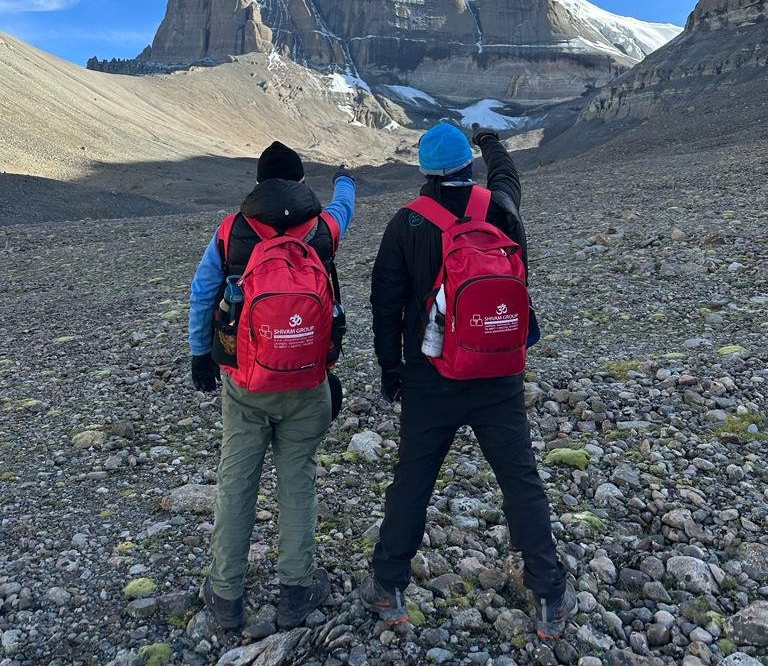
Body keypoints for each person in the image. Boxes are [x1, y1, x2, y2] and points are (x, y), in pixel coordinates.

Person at [359, 122, 575, 639]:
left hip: (431, 377)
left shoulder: (406, 224)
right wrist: (492, 143)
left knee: (413, 479)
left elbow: (385, 305)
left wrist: (392, 369)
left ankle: (388, 586)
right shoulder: (499, 207)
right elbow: (508, 177)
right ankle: (547, 593)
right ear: (466, 166)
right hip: (499, 369)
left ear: (425, 172)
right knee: (519, 477)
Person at [188, 141, 355, 631]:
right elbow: (345, 205)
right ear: (302, 183)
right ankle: (297, 592)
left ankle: (225, 596)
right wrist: (345, 180)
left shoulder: (232, 230)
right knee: (297, 480)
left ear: (258, 185)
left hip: (245, 382)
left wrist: (201, 353)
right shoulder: (322, 227)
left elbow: (203, 291)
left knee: (237, 483)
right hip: (310, 379)